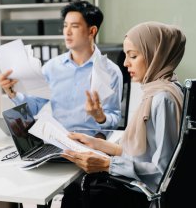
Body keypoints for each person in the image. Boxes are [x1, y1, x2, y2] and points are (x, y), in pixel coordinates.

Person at [61, 21, 186, 208]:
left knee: (75, 192)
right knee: (75, 189)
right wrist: (97, 144)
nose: (125, 63)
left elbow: (162, 171)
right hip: (139, 186)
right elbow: (143, 152)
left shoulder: (163, 98)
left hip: (143, 195)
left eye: (133, 56)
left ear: (155, 55)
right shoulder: (159, 89)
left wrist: (107, 164)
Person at [0, 1, 123, 137]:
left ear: (92, 31)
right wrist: (13, 93)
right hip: (58, 141)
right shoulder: (52, 67)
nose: (67, 32)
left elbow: (114, 119)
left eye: (74, 26)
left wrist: (100, 117)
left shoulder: (110, 71)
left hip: (92, 143)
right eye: (65, 26)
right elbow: (34, 107)